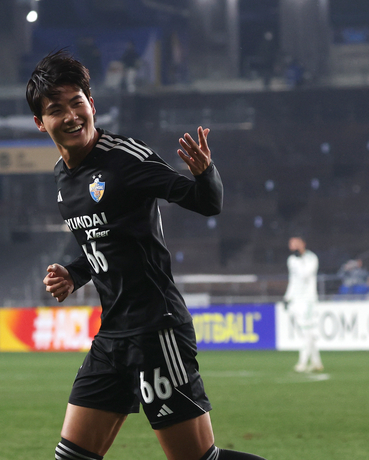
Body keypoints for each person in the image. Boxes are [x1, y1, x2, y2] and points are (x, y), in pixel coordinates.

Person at [26, 50, 266, 460]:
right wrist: (74, 273)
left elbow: (205, 203)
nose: (70, 116)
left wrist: (205, 173)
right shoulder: (63, 179)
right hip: (112, 336)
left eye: (76, 103)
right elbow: (104, 242)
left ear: (92, 104)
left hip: (157, 331)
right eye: (55, 110)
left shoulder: (126, 159)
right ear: (40, 122)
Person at [283, 236, 323, 373]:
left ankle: (303, 362)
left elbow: (306, 274)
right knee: (306, 333)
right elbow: (293, 280)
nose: (293, 247)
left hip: (308, 300)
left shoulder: (311, 258)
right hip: (296, 300)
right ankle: (317, 362)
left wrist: (300, 259)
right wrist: (287, 297)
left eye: (295, 244)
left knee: (307, 331)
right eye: (291, 244)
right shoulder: (291, 260)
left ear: (302, 244)